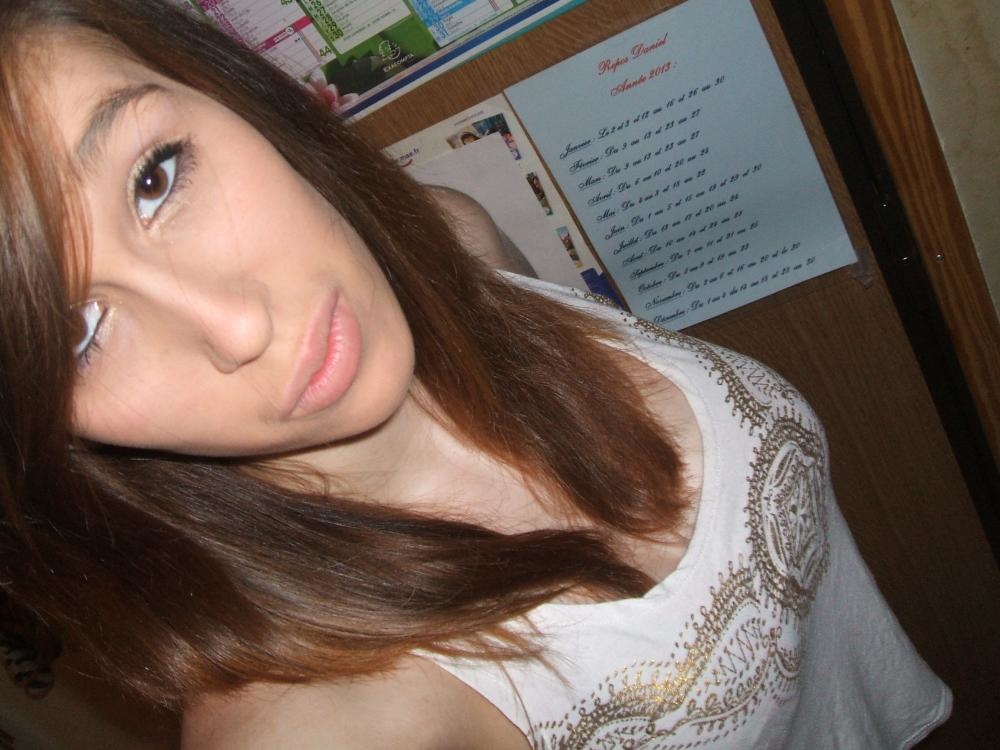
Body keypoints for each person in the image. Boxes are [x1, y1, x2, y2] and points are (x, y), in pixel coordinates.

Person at [0, 1, 950, 748]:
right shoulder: (321, 720)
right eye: (77, 331)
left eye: (156, 177)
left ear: (225, 93)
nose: (237, 324)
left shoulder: (451, 233)